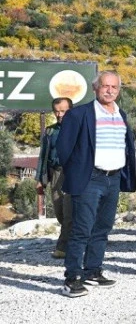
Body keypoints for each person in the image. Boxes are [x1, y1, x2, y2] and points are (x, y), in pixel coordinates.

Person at [55, 71, 136, 297]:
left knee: (102, 228)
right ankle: (72, 278)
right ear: (95, 88)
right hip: (90, 178)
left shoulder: (121, 115)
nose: (110, 90)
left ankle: (93, 271)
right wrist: (78, 172)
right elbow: (63, 149)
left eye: (114, 87)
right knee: (81, 229)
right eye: (105, 86)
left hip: (113, 178)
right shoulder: (80, 114)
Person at [38, 97, 72, 259]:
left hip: (73, 173)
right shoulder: (50, 131)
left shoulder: (77, 128)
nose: (59, 114)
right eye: (57, 111)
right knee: (59, 211)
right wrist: (40, 179)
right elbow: (43, 156)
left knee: (69, 211)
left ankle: (63, 247)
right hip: (56, 173)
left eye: (63, 111)